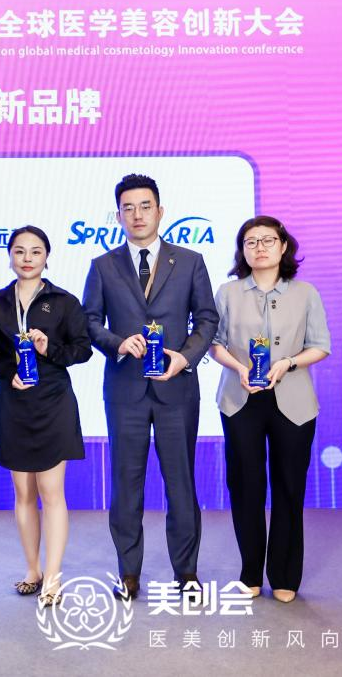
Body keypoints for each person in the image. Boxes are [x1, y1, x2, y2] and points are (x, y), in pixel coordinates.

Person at [82, 174, 218, 600]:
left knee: (181, 483)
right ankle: (128, 572)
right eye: (128, 208)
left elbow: (207, 319)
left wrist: (185, 357)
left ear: (160, 211)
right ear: (118, 215)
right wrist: (118, 343)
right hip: (126, 390)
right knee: (126, 484)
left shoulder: (190, 261)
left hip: (177, 390)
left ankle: (187, 572)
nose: (137, 215)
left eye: (145, 207)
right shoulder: (103, 266)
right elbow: (89, 321)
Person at [209, 216, 329, 603]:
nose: (259, 247)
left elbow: (320, 345)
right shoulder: (228, 292)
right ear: (242, 250)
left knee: (289, 486)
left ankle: (285, 576)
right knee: (245, 485)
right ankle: (250, 574)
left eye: (267, 240)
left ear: (283, 246)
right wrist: (239, 367)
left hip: (292, 400)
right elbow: (214, 343)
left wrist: (288, 363)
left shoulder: (305, 293)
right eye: (250, 242)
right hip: (240, 398)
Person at [0, 226, 91, 606]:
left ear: (47, 257)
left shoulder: (64, 301)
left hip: (53, 402)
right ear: (10, 256)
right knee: (23, 491)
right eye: (20, 251)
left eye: (36, 251)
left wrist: (48, 348)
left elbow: (83, 350)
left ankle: (53, 578)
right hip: (13, 402)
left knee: (51, 491)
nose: (27, 258)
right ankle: (32, 571)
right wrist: (7, 371)